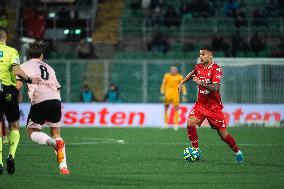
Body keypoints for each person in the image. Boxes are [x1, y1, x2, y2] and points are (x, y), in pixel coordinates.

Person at [178, 46, 244, 163]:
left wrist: (200, 82)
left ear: (210, 55)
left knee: (223, 135)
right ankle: (196, 150)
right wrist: (182, 82)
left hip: (214, 108)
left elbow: (215, 87)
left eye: (203, 54)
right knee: (190, 123)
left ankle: (238, 152)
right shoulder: (198, 67)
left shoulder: (216, 69)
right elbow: (192, 73)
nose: (201, 56)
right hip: (201, 105)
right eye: (200, 54)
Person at [16, 41, 70, 175]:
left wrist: (17, 98)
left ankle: (51, 143)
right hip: (56, 100)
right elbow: (57, 88)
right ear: (41, 55)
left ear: (29, 55)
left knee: (31, 131)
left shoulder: (24, 66)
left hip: (40, 99)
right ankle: (63, 167)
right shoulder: (49, 67)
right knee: (57, 133)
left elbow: (18, 85)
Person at [0, 27, 41, 175]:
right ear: (5, 38)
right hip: (7, 91)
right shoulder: (12, 52)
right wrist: (29, 79)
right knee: (14, 126)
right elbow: (17, 71)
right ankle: (11, 155)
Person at [160, 65, 187, 130]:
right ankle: (166, 124)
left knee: (176, 109)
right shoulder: (166, 76)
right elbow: (163, 84)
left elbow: (182, 85)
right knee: (166, 108)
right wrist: (162, 92)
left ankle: (176, 124)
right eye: (172, 69)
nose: (173, 70)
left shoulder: (180, 77)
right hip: (167, 94)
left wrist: (184, 93)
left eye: (174, 69)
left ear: (176, 70)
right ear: (170, 70)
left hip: (176, 95)